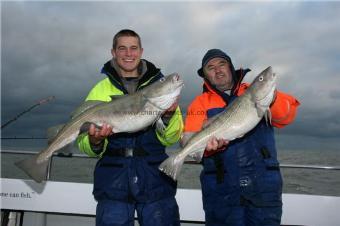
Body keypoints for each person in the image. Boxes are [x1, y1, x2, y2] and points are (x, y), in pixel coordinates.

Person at [77, 29, 183, 226]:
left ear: (141, 51)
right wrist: (94, 141)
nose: (128, 54)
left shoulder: (160, 88)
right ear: (113, 52)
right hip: (113, 183)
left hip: (155, 180)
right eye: (122, 48)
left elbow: (172, 138)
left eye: (133, 48)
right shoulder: (100, 89)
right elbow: (83, 143)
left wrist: (167, 117)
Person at [182, 49, 300, 226]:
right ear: (205, 75)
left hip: (263, 186)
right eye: (210, 67)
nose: (218, 70)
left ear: (230, 67)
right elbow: (189, 141)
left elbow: (287, 116)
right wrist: (209, 148)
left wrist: (272, 97)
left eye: (222, 64)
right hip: (221, 189)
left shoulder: (253, 92)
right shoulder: (199, 104)